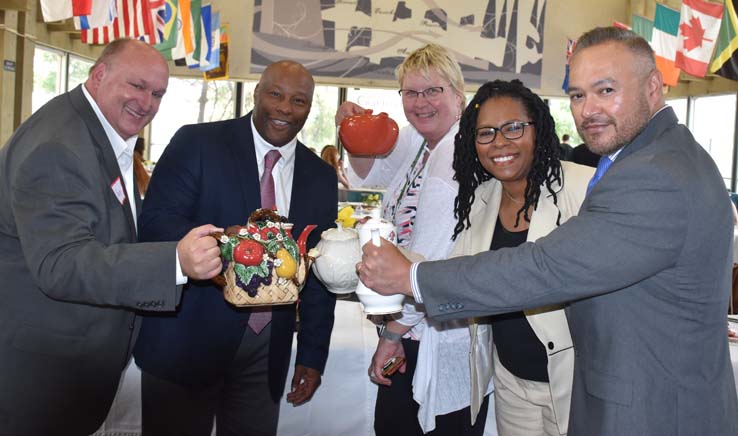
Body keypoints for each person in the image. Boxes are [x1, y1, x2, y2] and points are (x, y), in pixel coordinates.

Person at [358, 26, 738, 435]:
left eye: (606, 90)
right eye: (577, 95)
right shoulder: (647, 158)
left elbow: (546, 268)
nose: (588, 109)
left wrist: (410, 277)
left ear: (652, 88)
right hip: (560, 386)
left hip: (652, 408)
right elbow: (464, 264)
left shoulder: (653, 173)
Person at [0, 38, 222, 436]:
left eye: (158, 93)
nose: (147, 102)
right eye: (137, 86)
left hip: (67, 369)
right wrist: (175, 261)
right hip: (41, 376)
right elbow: (61, 264)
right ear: (99, 74)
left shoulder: (94, 132)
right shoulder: (58, 146)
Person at [132, 60, 338, 436]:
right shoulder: (196, 143)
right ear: (257, 93)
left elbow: (318, 270)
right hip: (185, 341)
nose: (285, 108)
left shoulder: (320, 177)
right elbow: (155, 223)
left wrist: (312, 355)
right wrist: (222, 244)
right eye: (275, 94)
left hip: (266, 352)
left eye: (299, 101)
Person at [336, 43, 493, 435]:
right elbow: (367, 174)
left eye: (433, 91)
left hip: (433, 332)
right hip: (416, 326)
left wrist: (392, 334)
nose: (421, 102)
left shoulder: (455, 154)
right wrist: (352, 132)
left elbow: (428, 265)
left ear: (459, 96)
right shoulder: (425, 143)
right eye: (411, 92)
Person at [453, 80, 593, 436]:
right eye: (486, 133)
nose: (499, 142)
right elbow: (456, 277)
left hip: (577, 383)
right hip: (511, 383)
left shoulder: (584, 187)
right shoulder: (481, 199)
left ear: (539, 129)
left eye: (514, 127)